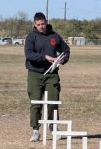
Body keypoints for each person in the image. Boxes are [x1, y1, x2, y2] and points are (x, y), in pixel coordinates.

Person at [24, 12, 70, 142]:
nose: (41, 26)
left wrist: (63, 59)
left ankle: (53, 126)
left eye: (43, 24)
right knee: (36, 102)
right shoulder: (31, 37)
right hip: (35, 73)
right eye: (38, 24)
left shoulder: (54, 36)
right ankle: (35, 130)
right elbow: (29, 54)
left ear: (46, 22)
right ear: (34, 24)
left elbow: (66, 50)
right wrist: (44, 57)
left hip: (52, 75)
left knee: (53, 101)